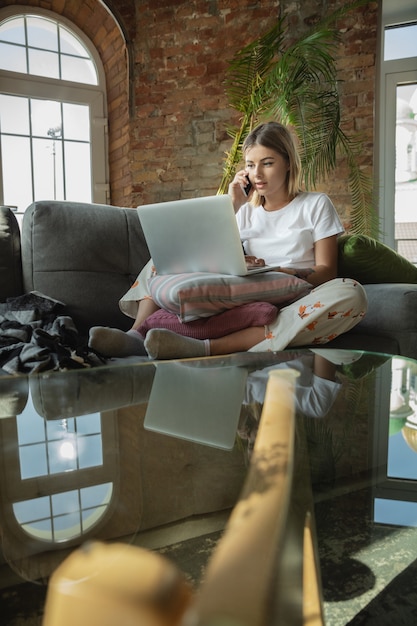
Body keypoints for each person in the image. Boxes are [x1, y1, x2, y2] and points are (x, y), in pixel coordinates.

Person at [89, 122, 367, 359]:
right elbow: (201, 253)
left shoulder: (315, 204)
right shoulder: (245, 210)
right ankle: (135, 336)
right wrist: (233, 205)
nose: (257, 174)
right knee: (170, 255)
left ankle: (205, 348)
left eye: (267, 163)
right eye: (250, 165)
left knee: (351, 292)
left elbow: (328, 271)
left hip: (295, 294)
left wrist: (286, 271)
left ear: (288, 164)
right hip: (247, 287)